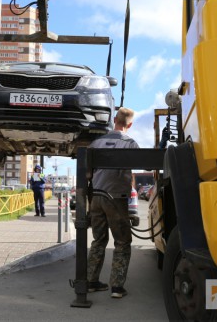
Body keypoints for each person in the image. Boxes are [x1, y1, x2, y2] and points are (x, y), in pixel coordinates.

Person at [86, 107, 140, 299]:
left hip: (97, 197)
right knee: (122, 241)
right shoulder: (130, 143)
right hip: (115, 198)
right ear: (130, 124)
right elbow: (144, 163)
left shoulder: (96, 142)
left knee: (98, 240)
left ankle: (91, 282)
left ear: (114, 120)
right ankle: (117, 287)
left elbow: (86, 170)